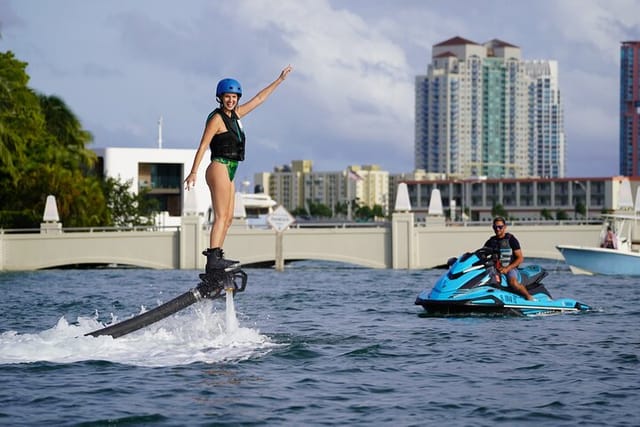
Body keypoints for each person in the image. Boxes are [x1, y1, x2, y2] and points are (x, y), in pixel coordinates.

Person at [184, 65, 293, 272]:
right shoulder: (217, 119)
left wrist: (279, 80)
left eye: (234, 97)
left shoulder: (236, 116)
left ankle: (217, 258)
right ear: (220, 98)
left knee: (229, 218)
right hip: (219, 166)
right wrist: (193, 171)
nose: (231, 100)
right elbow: (203, 145)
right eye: (227, 97)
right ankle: (213, 260)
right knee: (221, 216)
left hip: (231, 168)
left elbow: (259, 99)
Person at [483, 216, 534, 301]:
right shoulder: (491, 241)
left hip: (510, 269)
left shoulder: (511, 240)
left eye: (500, 227)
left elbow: (520, 258)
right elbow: (482, 254)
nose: (498, 229)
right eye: (495, 227)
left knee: (513, 282)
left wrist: (507, 268)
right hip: (494, 269)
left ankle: (529, 297)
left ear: (505, 227)